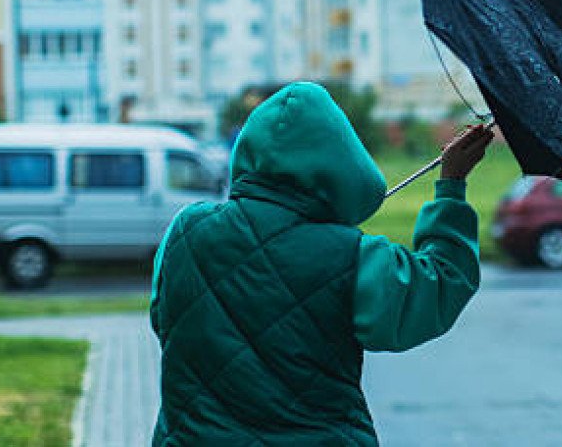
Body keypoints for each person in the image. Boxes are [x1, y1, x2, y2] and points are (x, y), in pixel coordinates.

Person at [149, 81, 493, 446]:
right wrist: (452, 185)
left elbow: (163, 319)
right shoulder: (352, 257)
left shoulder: (186, 232)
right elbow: (440, 286)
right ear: (343, 162)